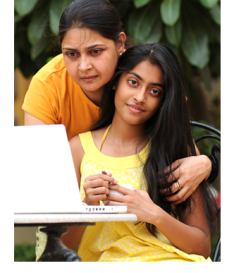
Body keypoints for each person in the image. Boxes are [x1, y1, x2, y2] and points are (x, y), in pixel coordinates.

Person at [22, 0, 214, 258]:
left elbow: (176, 132)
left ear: (121, 44)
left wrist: (206, 162)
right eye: (71, 54)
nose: (84, 66)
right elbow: (42, 195)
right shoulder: (50, 90)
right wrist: (84, 205)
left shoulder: (149, 77)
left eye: (96, 51)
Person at [69, 43, 218, 262]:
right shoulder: (78, 149)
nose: (140, 97)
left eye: (154, 91)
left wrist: (154, 214)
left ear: (163, 100)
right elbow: (61, 245)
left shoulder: (174, 148)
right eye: (133, 82)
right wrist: (88, 206)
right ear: (116, 82)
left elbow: (202, 247)